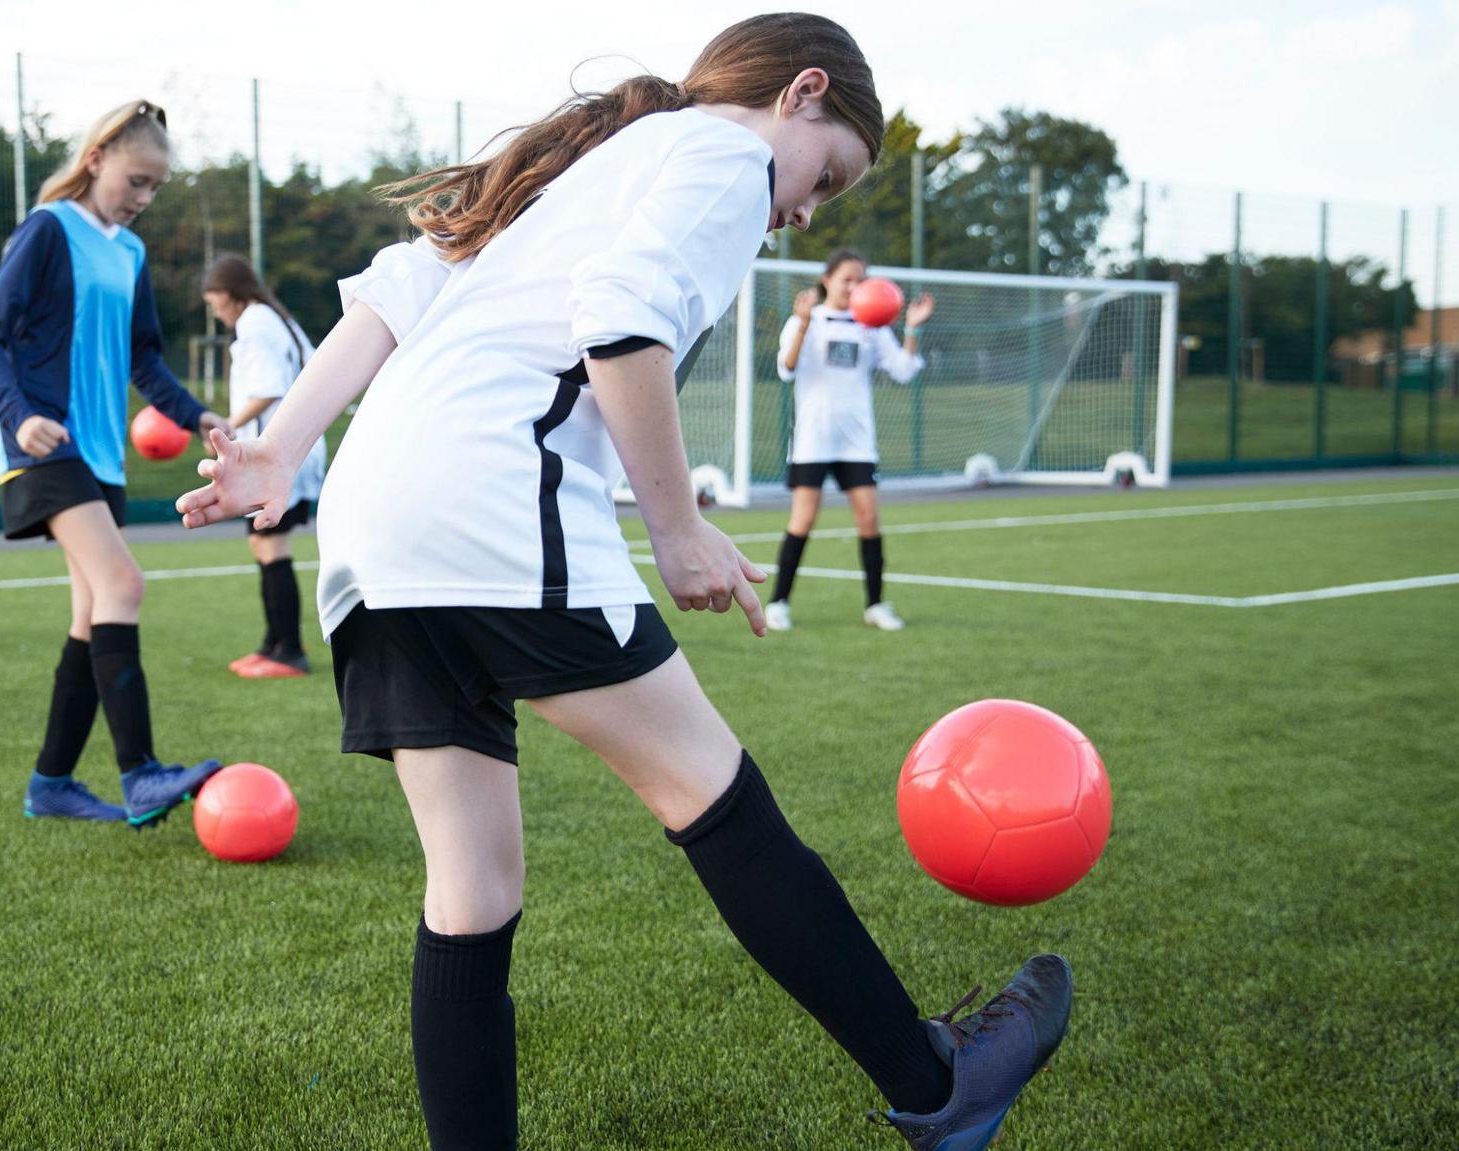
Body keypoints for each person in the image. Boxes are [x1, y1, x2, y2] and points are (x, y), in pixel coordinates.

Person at [178, 14, 1072, 1151]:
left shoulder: (587, 170)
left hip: (371, 526)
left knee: (470, 887)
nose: (804, 208)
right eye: (828, 175)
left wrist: (282, 445)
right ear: (801, 93)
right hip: (488, 498)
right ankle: (934, 1084)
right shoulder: (719, 155)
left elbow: (394, 297)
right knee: (710, 790)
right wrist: (677, 525)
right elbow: (618, 322)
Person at [0, 99, 231, 827]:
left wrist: (195, 414)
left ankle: (50, 782)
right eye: (137, 181)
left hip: (102, 457)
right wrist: (21, 420)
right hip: (48, 445)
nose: (144, 200)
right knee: (123, 581)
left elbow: (142, 355)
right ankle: (141, 772)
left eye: (156, 188)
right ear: (97, 160)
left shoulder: (130, 252)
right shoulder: (47, 231)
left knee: (92, 613)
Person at [771, 248, 932, 631]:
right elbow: (787, 368)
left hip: (857, 442)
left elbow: (904, 370)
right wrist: (805, 322)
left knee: (869, 520)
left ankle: (875, 604)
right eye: (847, 278)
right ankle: (778, 603)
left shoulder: (871, 325)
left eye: (860, 279)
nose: (853, 286)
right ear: (827, 279)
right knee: (803, 520)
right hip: (814, 440)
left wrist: (911, 327)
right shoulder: (805, 320)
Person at [201, 253, 327, 678]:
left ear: (228, 294)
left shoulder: (255, 322)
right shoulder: (277, 319)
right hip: (292, 448)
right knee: (264, 544)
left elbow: (269, 388)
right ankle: (274, 643)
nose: (213, 310)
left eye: (213, 299)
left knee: (272, 545)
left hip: (276, 454)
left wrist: (224, 426)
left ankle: (288, 651)